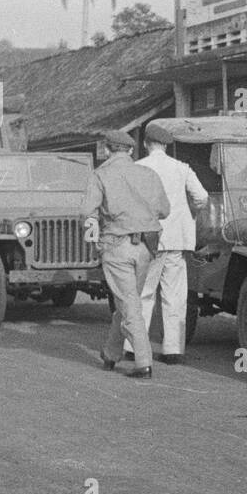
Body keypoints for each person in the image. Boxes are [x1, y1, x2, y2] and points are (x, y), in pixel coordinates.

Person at [81, 130, 170, 379]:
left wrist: (95, 243)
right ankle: (111, 353)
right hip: (146, 248)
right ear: (131, 150)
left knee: (129, 303)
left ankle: (144, 362)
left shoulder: (100, 175)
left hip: (116, 245)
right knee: (128, 300)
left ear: (107, 150)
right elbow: (164, 210)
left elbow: (87, 212)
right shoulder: (149, 174)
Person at [127, 125, 208, 365]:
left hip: (148, 239)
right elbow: (202, 197)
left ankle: (134, 347)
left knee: (143, 293)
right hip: (176, 240)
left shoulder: (138, 167)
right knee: (174, 295)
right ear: (166, 145)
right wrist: (189, 213)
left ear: (145, 143)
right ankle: (173, 350)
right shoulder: (181, 168)